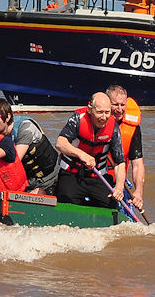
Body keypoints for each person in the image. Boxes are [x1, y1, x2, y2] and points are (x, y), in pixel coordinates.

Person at [55, 92, 126, 209]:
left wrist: (119, 187)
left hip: (97, 176)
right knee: (66, 201)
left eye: (107, 112)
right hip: (72, 175)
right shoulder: (77, 119)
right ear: (90, 109)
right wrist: (82, 155)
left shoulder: (113, 128)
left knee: (111, 206)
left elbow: (119, 162)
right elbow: (60, 143)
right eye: (99, 112)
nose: (103, 117)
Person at [0, 97, 59, 195]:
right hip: (29, 183)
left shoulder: (25, 127)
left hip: (51, 179)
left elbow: (14, 162)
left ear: (7, 117)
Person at [106, 84, 145, 212]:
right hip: (96, 177)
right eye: (115, 105)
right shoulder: (98, 120)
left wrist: (138, 192)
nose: (119, 109)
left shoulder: (133, 128)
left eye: (122, 105)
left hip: (119, 181)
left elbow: (137, 164)